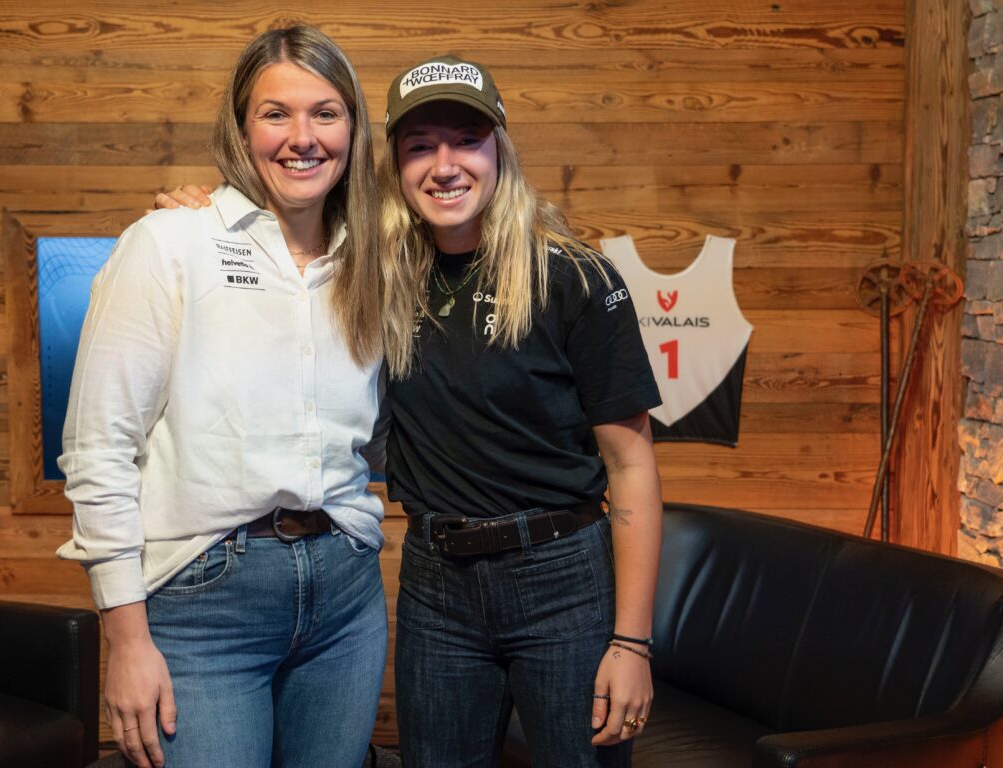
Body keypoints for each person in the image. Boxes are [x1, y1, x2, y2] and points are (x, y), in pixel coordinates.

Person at [160, 54, 664, 768]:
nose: (445, 165)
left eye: (466, 140)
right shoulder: (370, 271)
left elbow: (632, 464)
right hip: (438, 581)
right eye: (420, 146)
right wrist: (199, 212)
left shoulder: (572, 275)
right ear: (394, 165)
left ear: (500, 149)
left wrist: (632, 642)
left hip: (563, 579)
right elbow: (282, 231)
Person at [57, 26, 388, 768]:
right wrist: (126, 637)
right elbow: (98, 448)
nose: (302, 137)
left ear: (353, 128)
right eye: (276, 114)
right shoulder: (170, 243)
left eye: (325, 113)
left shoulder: (374, 258)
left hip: (345, 596)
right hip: (206, 603)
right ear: (242, 127)